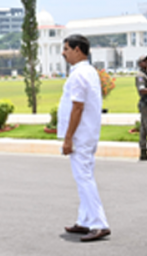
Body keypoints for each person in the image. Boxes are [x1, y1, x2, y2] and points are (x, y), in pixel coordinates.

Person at [58, 35, 110, 242]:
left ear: (78, 50)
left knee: (84, 178)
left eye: (66, 49)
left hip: (80, 135)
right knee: (83, 177)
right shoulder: (88, 72)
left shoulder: (80, 75)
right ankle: (85, 220)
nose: (63, 53)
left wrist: (68, 138)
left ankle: (99, 223)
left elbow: (77, 107)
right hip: (87, 133)